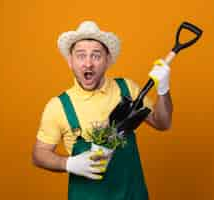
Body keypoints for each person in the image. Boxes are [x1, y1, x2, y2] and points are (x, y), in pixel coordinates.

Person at [32, 21, 173, 200]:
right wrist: (69, 163)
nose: (88, 64)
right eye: (81, 56)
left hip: (132, 195)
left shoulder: (127, 90)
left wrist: (163, 89)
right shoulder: (58, 106)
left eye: (96, 56)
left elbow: (163, 122)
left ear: (107, 60)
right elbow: (39, 154)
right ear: (70, 61)